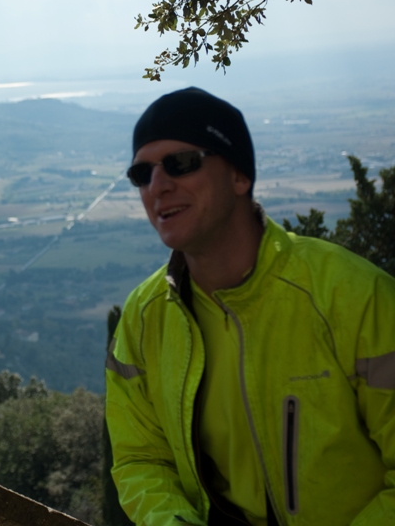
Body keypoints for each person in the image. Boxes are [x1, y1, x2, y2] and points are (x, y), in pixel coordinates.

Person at [105, 87, 395, 525]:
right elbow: (140, 459)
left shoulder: (354, 296)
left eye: (181, 163)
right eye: (141, 174)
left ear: (239, 176)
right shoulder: (144, 319)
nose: (158, 186)